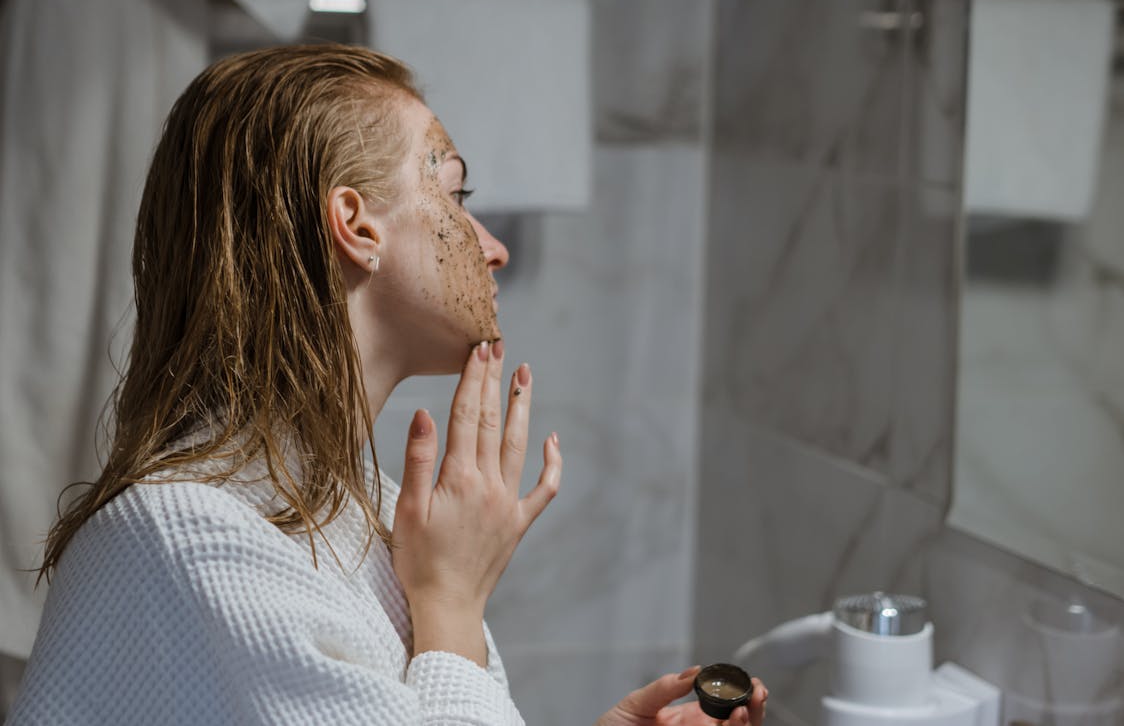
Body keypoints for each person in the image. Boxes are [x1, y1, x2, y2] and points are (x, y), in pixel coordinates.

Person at [6, 44, 767, 725]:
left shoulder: (341, 506)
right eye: (458, 197)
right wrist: (452, 602)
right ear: (357, 225)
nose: (494, 249)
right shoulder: (187, 537)